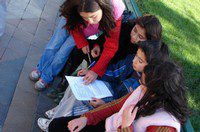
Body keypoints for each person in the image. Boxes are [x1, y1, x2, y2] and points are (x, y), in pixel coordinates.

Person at [37, 40, 169, 131]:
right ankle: (58, 111)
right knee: (81, 83)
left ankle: (56, 119)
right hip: (109, 93)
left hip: (110, 103)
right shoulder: (133, 68)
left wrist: (103, 104)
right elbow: (113, 73)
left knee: (79, 101)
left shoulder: (144, 87)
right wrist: (93, 72)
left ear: (152, 67)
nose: (134, 61)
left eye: (140, 60)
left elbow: (122, 108)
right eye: (136, 56)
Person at [48, 60, 190, 132]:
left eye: (145, 84)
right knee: (57, 125)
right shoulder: (144, 90)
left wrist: (127, 125)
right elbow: (117, 106)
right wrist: (86, 119)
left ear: (157, 92)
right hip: (107, 125)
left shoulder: (165, 126)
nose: (141, 87)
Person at [29, 0, 125, 90]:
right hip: (72, 21)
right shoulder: (74, 7)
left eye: (93, 16)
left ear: (102, 7)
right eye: (85, 18)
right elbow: (72, 20)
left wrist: (95, 70)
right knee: (53, 45)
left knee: (62, 54)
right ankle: (40, 68)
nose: (90, 21)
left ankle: (47, 77)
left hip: (84, 32)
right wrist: (81, 41)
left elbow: (111, 46)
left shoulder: (115, 13)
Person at [54, 14, 162, 93]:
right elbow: (105, 38)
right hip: (102, 55)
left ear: (149, 40)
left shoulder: (142, 53)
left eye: (141, 37)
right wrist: (97, 45)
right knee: (78, 50)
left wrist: (96, 69)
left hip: (113, 70)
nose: (134, 37)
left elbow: (122, 71)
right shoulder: (126, 27)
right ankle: (65, 79)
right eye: (135, 30)